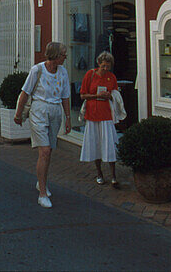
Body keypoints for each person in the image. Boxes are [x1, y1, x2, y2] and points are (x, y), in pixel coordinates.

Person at [14, 41, 71, 208]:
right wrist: (18, 114)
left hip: (55, 111)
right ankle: (43, 193)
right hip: (39, 110)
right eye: (63, 55)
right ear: (54, 55)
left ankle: (42, 181)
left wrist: (68, 117)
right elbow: (25, 92)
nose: (65, 57)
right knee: (44, 150)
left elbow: (65, 96)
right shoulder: (37, 70)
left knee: (49, 150)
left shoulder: (63, 72)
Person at [79, 51, 120, 187]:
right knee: (96, 144)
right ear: (98, 64)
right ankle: (99, 173)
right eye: (103, 66)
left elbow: (116, 95)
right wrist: (97, 96)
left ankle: (113, 175)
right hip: (92, 114)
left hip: (106, 115)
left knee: (109, 145)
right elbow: (83, 95)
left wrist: (110, 96)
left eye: (108, 66)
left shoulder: (112, 77)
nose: (105, 69)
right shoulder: (90, 75)